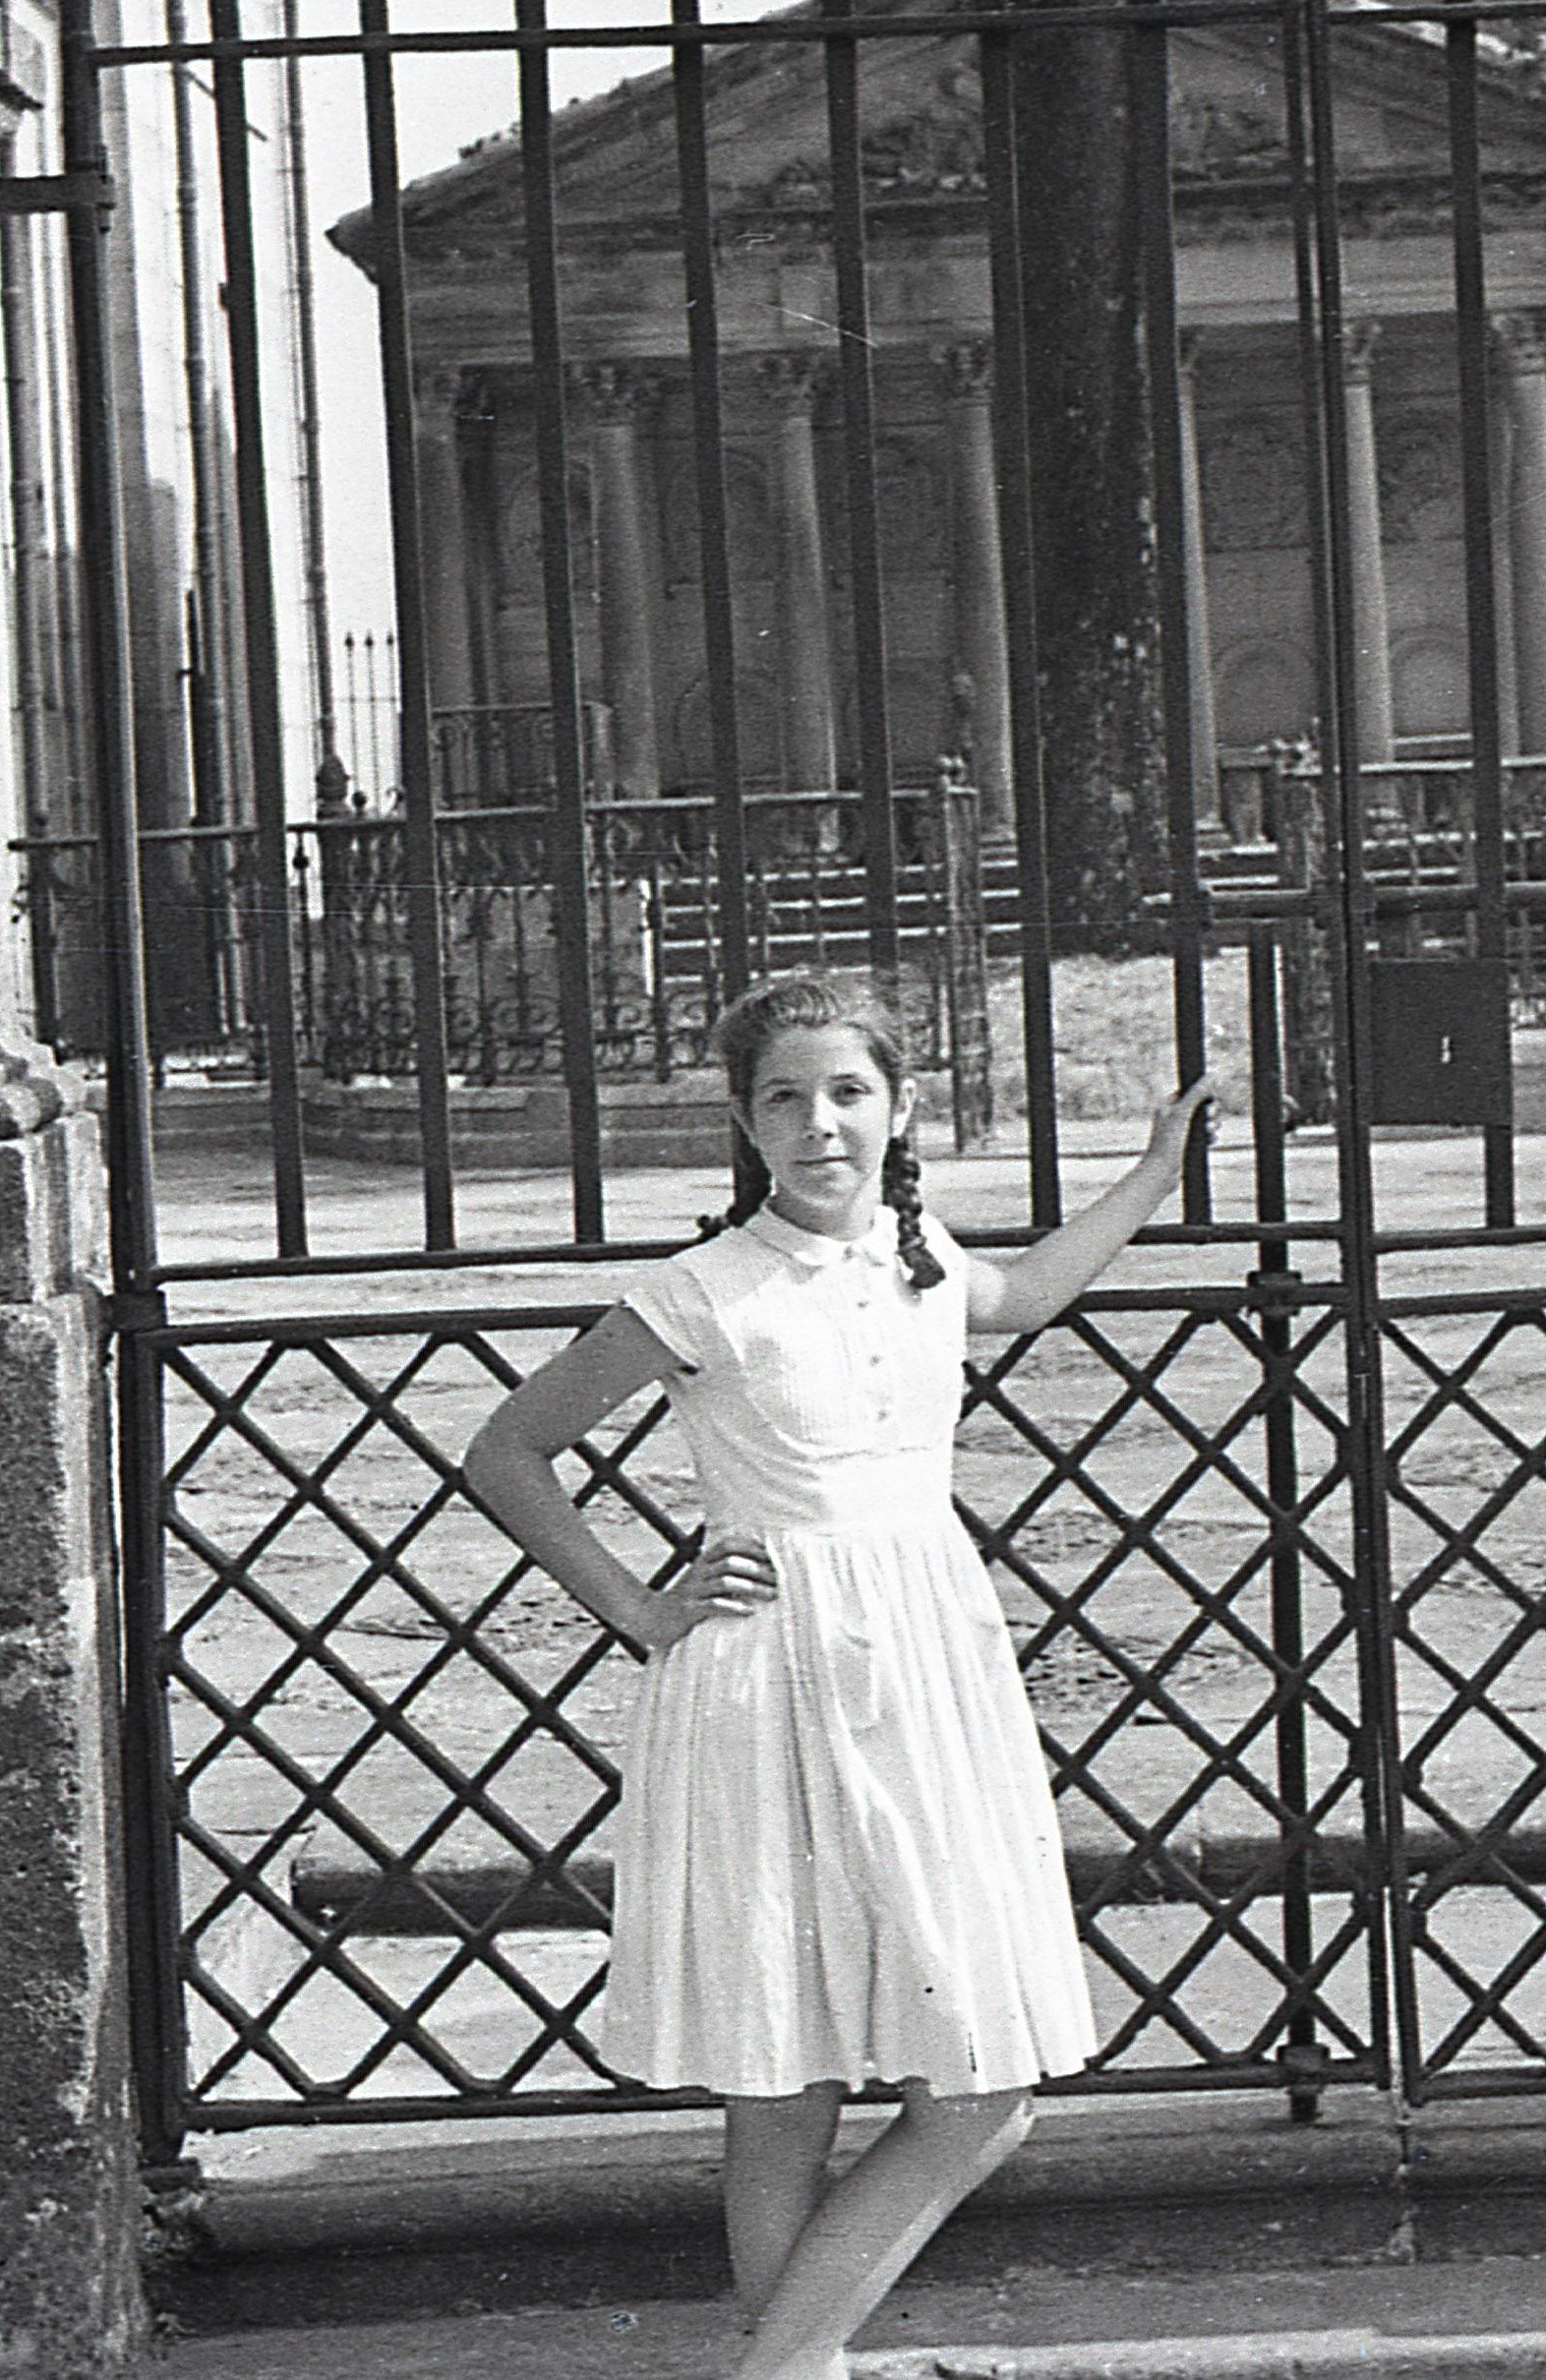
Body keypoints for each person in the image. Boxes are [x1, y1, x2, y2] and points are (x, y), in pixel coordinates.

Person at [454, 973, 1219, 2380]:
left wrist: (1156, 1170)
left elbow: (1032, 1291)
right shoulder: (703, 1289)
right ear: (748, 1125)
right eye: (786, 1098)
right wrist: (642, 1607)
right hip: (764, 1676)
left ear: (902, 1108)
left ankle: (779, 2367)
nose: (821, 1123)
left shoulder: (920, 1262)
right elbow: (508, 1450)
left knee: (978, 2086)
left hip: (925, 1671)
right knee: (782, 2075)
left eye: (849, 1092)